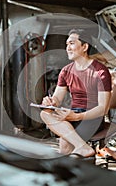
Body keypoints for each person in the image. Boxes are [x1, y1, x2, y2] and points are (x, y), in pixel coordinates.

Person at [40, 28, 112, 158]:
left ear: (84, 47)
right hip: (72, 114)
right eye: (67, 44)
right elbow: (57, 98)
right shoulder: (66, 71)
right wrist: (50, 102)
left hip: (92, 117)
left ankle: (80, 154)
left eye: (72, 43)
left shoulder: (100, 71)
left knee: (65, 147)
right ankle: (83, 148)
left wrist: (77, 117)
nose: (68, 48)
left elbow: (103, 109)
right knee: (45, 113)